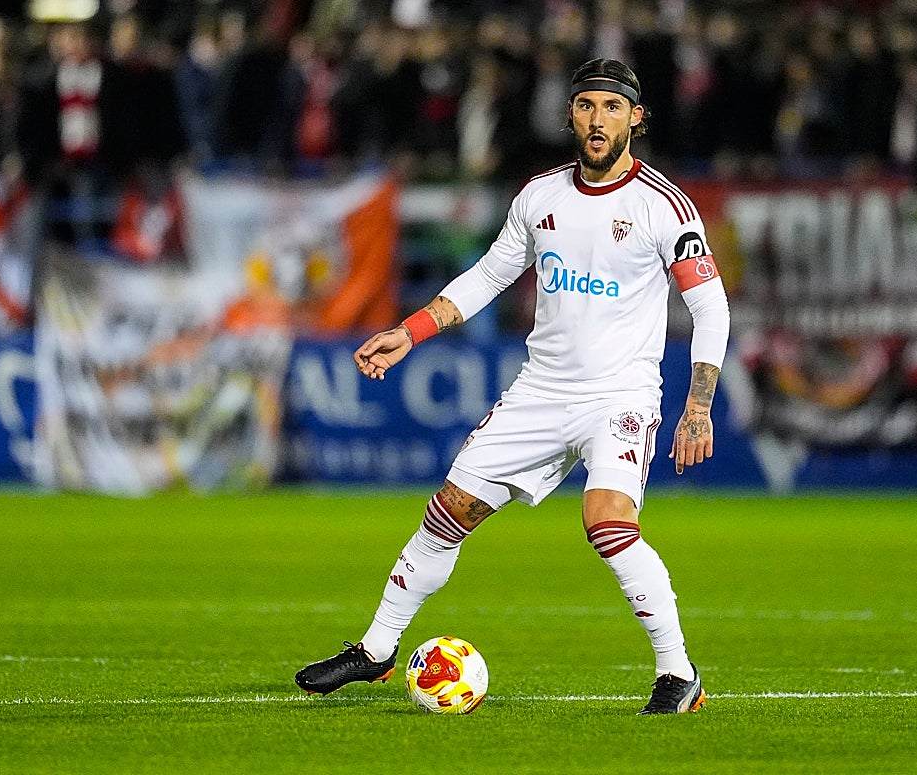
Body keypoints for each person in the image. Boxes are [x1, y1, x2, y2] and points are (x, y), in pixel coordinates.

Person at [294, 58, 730, 715]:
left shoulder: (662, 207)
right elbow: (487, 277)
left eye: (612, 108)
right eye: (586, 106)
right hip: (540, 392)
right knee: (448, 512)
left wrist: (697, 407)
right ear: (570, 114)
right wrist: (410, 331)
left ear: (636, 118)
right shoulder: (540, 196)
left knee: (608, 522)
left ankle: (678, 675)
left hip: (620, 397)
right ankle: (377, 651)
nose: (597, 120)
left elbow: (711, 308)